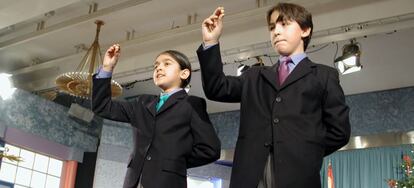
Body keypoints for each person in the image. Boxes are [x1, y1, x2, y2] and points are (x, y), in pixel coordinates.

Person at [197, 3, 350, 188]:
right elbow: (216, 87)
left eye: (284, 24)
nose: (276, 31)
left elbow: (339, 132)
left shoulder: (324, 76)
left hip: (299, 176)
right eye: (272, 27)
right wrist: (211, 42)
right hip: (250, 175)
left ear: (305, 30)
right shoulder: (255, 76)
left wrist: (306, 151)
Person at [92, 44, 221, 188]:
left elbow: (210, 150)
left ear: (184, 74)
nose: (159, 68)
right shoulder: (142, 103)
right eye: (156, 66)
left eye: (167, 64)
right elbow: (102, 107)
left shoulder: (192, 104)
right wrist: (107, 69)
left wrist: (175, 162)